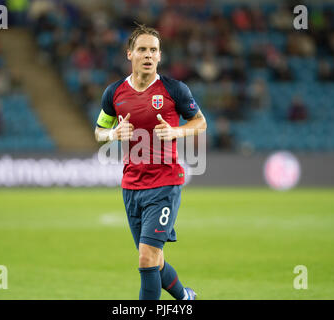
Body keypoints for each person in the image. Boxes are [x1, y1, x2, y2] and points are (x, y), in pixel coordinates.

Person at [94, 24, 207, 300]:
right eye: (142, 49)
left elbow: (200, 122)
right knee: (154, 260)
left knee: (146, 258)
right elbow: (98, 132)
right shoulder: (114, 93)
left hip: (165, 183)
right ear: (129, 54)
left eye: (153, 50)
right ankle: (185, 298)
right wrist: (113, 134)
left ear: (159, 56)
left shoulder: (174, 90)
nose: (148, 55)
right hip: (131, 185)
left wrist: (176, 131)